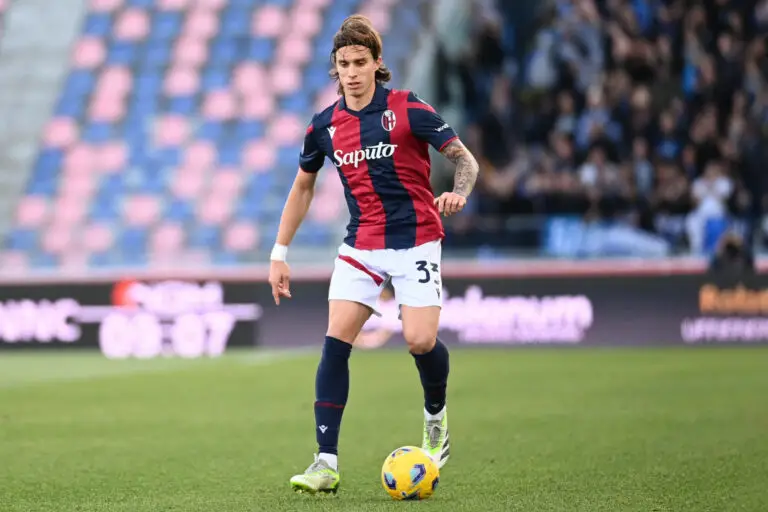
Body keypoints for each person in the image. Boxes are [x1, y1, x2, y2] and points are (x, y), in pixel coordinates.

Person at [268, 14, 480, 495]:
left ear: (377, 63)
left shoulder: (408, 108)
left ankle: (435, 418)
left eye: (360, 63)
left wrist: (459, 192)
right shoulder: (324, 126)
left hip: (416, 239)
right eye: (343, 64)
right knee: (335, 340)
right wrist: (280, 252)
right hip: (361, 244)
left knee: (420, 341)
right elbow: (303, 187)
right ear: (335, 67)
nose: (352, 73)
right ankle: (325, 462)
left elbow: (463, 159)